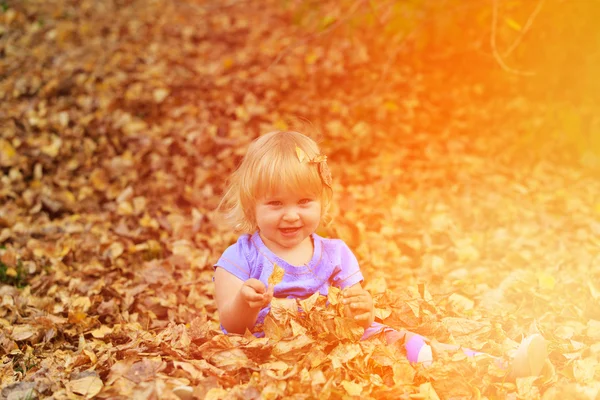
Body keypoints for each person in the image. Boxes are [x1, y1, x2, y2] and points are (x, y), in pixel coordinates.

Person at [212, 130, 548, 378]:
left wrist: (361, 309)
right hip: (272, 350)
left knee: (407, 342)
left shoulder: (335, 254)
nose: (291, 215)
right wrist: (245, 301)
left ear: (322, 201)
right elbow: (229, 323)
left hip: (336, 342)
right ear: (251, 206)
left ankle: (501, 366)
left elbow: (358, 311)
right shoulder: (241, 258)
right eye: (275, 204)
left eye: (304, 202)